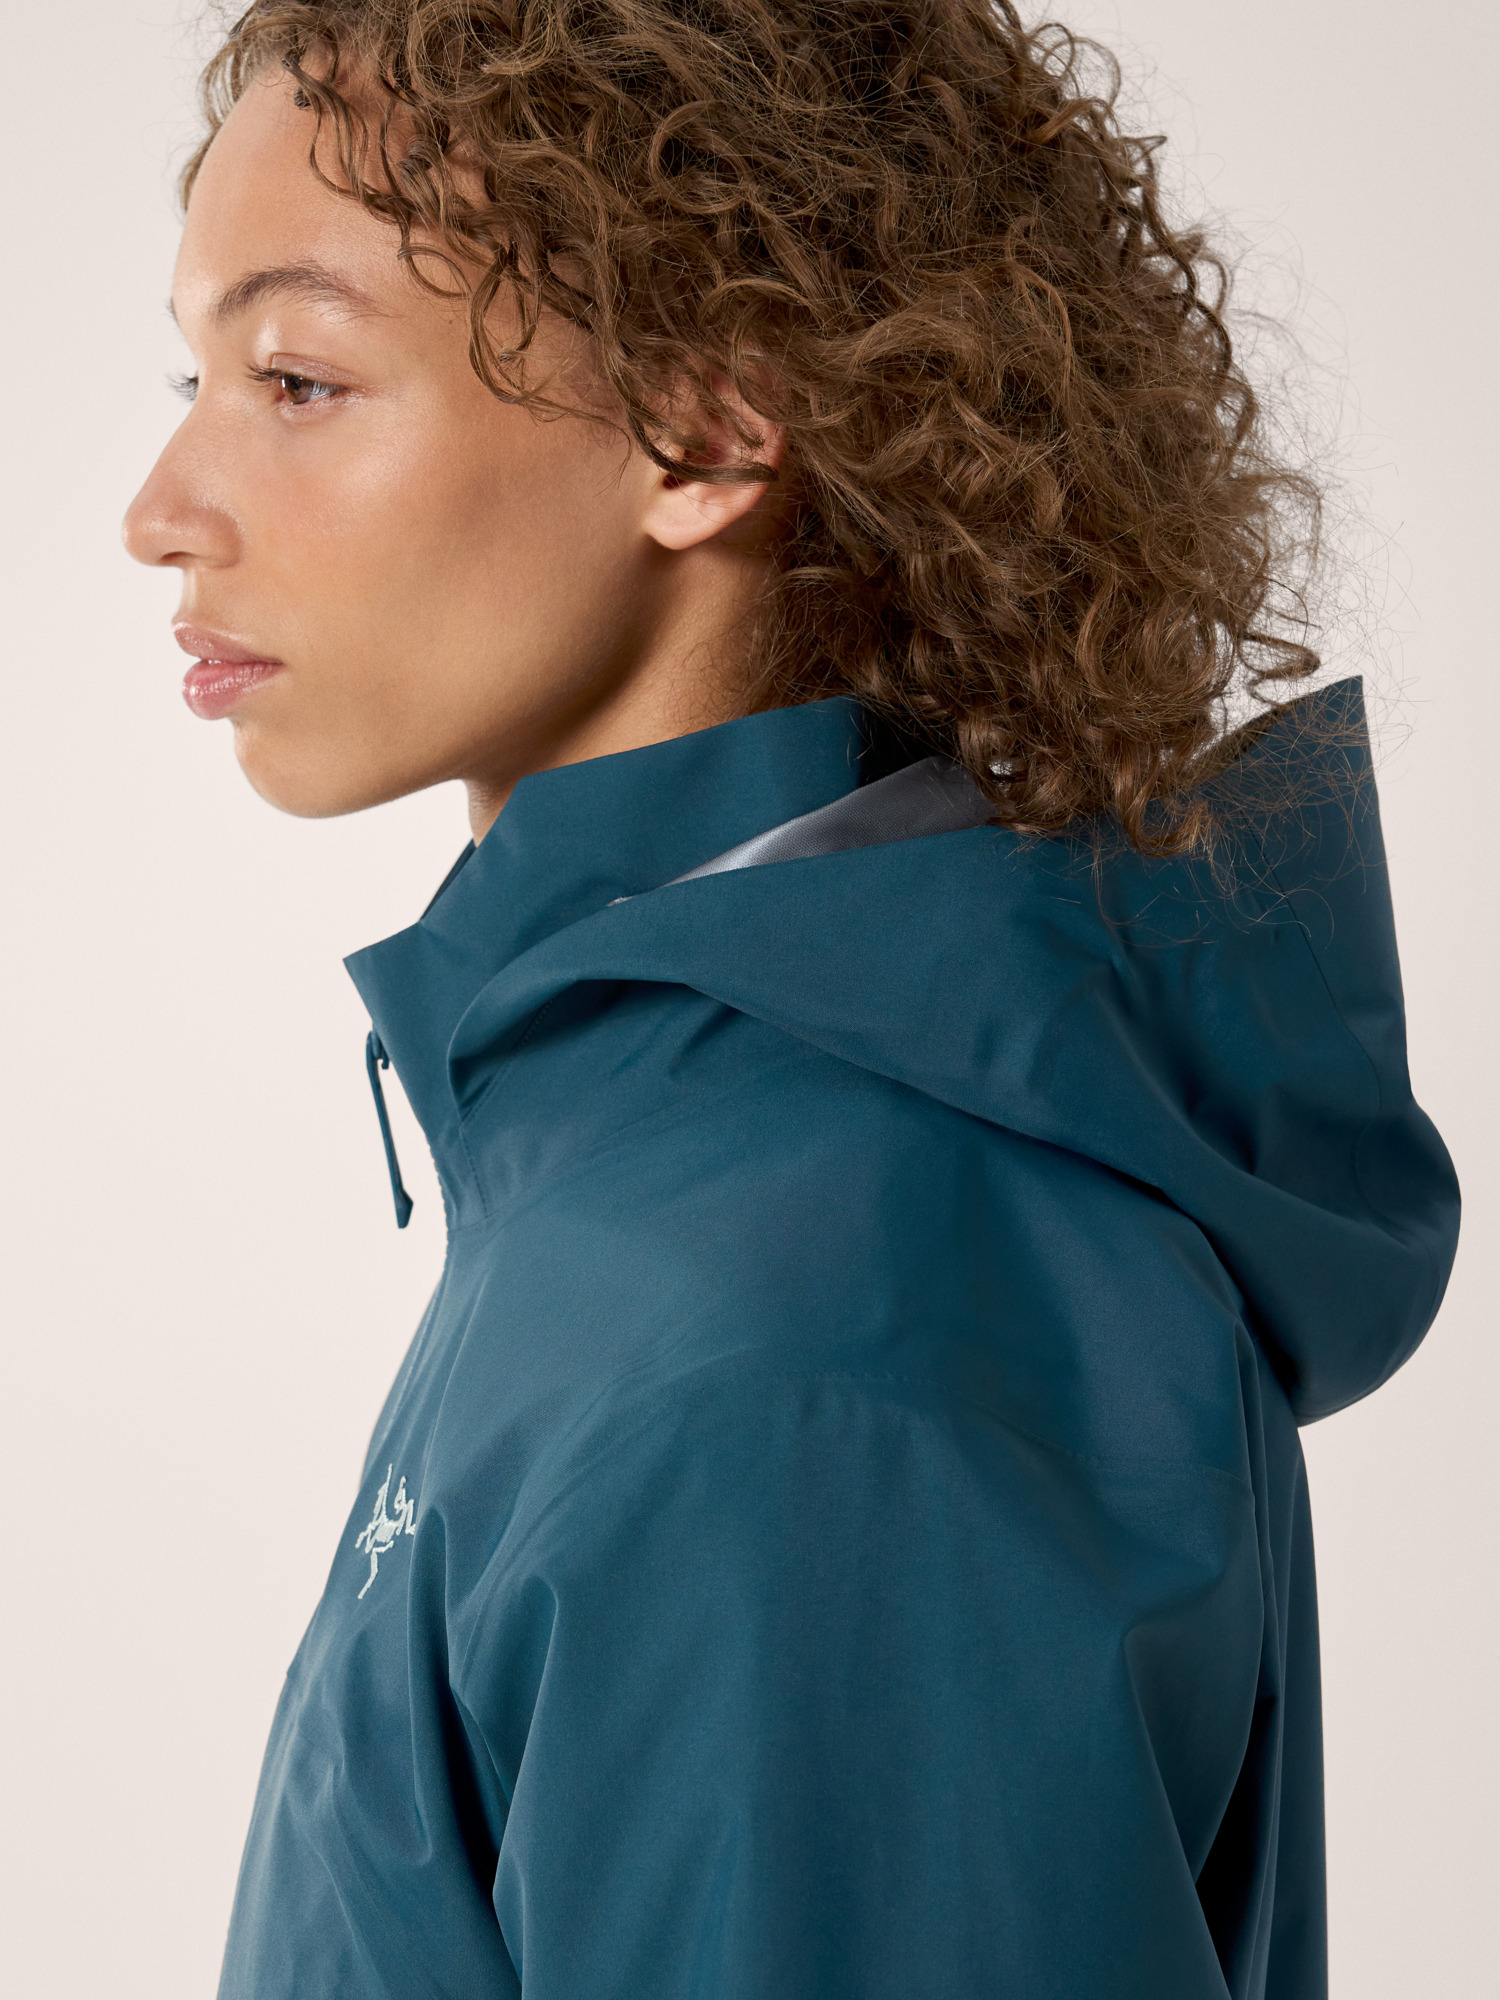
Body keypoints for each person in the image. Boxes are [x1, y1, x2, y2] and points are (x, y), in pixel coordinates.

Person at [123, 2, 1459, 1994]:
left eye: (298, 378)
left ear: (709, 426)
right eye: (198, 374)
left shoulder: (799, 1328)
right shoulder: (676, 1159)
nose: (162, 506)